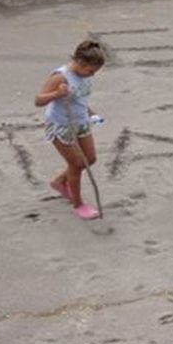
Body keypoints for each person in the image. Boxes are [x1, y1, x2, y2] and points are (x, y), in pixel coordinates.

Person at [34, 39, 106, 220]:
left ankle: (59, 182)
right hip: (61, 125)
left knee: (90, 158)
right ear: (80, 62)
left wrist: (92, 114)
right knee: (76, 164)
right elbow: (38, 100)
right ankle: (78, 204)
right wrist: (57, 94)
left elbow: (80, 100)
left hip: (80, 121)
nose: (92, 75)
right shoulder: (61, 77)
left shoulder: (84, 77)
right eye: (91, 71)